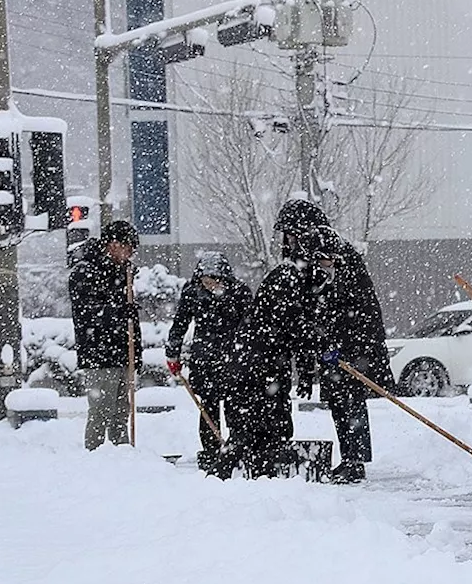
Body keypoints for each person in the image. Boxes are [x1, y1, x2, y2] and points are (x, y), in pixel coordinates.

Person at [276, 200, 394, 484]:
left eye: (291, 235)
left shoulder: (335, 256)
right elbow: (312, 311)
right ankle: (349, 458)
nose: (288, 242)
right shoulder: (312, 263)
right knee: (339, 402)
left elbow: (348, 306)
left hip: (353, 344)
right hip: (336, 345)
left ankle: (355, 461)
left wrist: (340, 344)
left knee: (350, 401)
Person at [222, 255, 314, 479]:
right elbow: (299, 334)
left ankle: (235, 476)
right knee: (271, 428)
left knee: (246, 431)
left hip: (245, 367)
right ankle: (263, 477)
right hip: (263, 369)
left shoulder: (277, 282)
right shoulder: (289, 287)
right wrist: (306, 372)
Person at [164, 252, 253, 475]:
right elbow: (180, 324)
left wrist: (248, 355)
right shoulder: (193, 293)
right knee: (208, 408)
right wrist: (173, 354)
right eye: (206, 280)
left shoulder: (239, 293)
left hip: (234, 359)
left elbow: (250, 326)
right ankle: (212, 450)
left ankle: (235, 449)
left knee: (236, 408)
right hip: (204, 360)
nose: (210, 284)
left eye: (214, 280)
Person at [69, 220, 141, 451]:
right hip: (99, 354)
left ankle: (121, 453)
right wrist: (120, 312)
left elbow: (131, 320)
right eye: (126, 248)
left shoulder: (124, 273)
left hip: (121, 352)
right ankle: (95, 456)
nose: (129, 254)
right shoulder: (86, 271)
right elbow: (86, 314)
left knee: (122, 410)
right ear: (112, 244)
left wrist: (136, 353)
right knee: (101, 411)